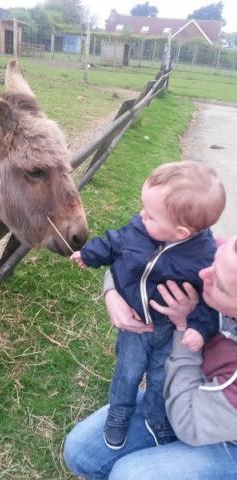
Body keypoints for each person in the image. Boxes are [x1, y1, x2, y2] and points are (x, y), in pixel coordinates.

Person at [70, 161, 225, 449]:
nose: (141, 216)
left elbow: (209, 300)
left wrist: (199, 330)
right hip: (136, 326)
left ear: (181, 232)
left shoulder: (205, 257)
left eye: (151, 215)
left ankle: (158, 419)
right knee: (126, 373)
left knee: (159, 378)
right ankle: (119, 412)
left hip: (170, 330)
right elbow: (114, 243)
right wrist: (89, 254)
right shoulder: (141, 229)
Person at [63, 236, 237, 480]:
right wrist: (113, 292)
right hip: (181, 395)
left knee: (129, 476)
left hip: (222, 434)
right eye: (215, 262)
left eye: (219, 285)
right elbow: (136, 252)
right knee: (80, 452)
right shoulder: (220, 258)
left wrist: (182, 327)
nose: (204, 274)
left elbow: (188, 421)